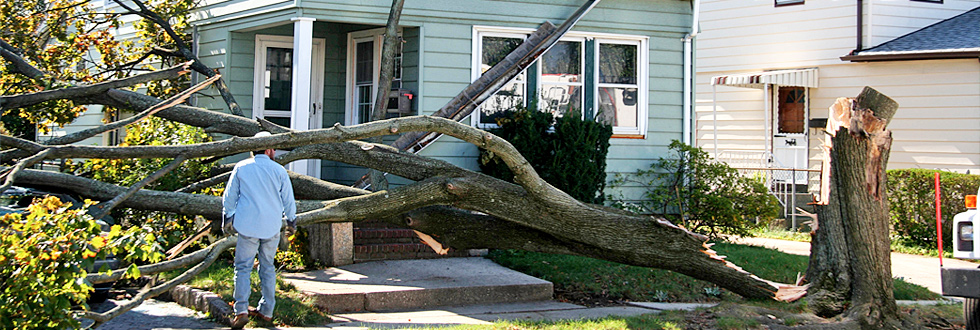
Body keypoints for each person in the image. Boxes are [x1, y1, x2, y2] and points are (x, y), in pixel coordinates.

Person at [221, 131, 296, 329]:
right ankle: (267, 311)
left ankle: (241, 310)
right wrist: (291, 220)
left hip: (247, 225)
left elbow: (230, 196)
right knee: (268, 267)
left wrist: (227, 216)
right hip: (271, 225)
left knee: (243, 267)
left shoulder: (241, 167)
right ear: (269, 149)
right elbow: (288, 198)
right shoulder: (278, 170)